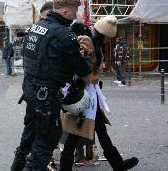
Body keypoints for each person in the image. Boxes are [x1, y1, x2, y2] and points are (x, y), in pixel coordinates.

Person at [10, 0, 92, 171]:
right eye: (73, 12)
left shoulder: (35, 28)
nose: (74, 17)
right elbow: (83, 70)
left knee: (28, 137)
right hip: (47, 96)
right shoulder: (64, 34)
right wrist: (88, 52)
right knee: (45, 142)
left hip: (30, 91)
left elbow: (40, 58)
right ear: (64, 11)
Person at [59, 16, 139, 171]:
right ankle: (117, 165)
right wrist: (91, 77)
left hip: (88, 93)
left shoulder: (90, 39)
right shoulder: (87, 41)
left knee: (97, 130)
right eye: (108, 38)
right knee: (78, 132)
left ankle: (118, 165)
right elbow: (77, 66)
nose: (109, 41)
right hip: (83, 92)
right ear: (103, 35)